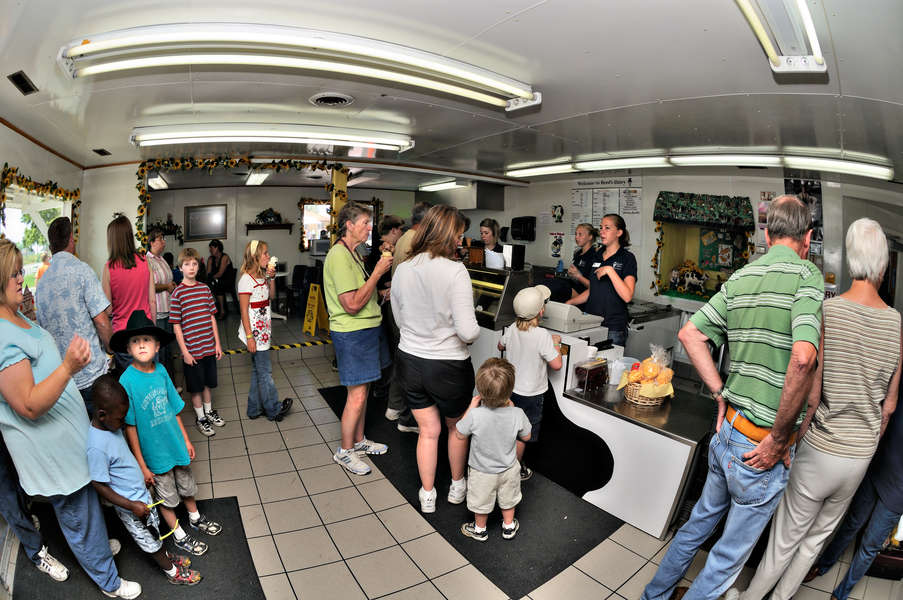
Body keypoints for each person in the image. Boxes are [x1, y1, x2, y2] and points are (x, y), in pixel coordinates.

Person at [641, 195, 823, 600]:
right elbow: (804, 358)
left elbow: (691, 335)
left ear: (767, 232)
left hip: (726, 434)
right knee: (725, 559)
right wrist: (778, 437)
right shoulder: (806, 276)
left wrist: (720, 394)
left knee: (696, 527)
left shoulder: (741, 277)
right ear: (807, 237)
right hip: (760, 446)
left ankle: (652, 597)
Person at [732, 218, 901, 600]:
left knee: (785, 537)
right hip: (859, 455)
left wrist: (791, 441)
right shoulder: (896, 322)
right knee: (815, 541)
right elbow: (888, 406)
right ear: (884, 264)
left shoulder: (830, 311)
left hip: (821, 449)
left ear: (852, 259)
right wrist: (865, 444)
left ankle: (751, 598)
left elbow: (812, 395)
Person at [0, 239, 141, 599]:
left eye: (20, 271)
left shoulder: (14, 317)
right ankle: (109, 582)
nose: (21, 279)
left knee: (86, 500)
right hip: (48, 450)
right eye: (13, 273)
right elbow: (28, 404)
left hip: (66, 441)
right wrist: (68, 367)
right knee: (77, 512)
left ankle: (95, 549)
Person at [392, 205, 480, 513]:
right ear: (446, 234)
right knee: (455, 428)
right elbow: (468, 332)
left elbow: (400, 319)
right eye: (458, 234)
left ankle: (427, 494)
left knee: (428, 431)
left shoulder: (403, 268)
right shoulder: (456, 271)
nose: (460, 240)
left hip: (409, 361)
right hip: (447, 365)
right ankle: (457, 486)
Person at [113, 310, 222, 558]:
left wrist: (185, 439)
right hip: (154, 453)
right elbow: (130, 427)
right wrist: (141, 464)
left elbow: (174, 409)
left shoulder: (162, 371)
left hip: (175, 444)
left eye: (147, 340)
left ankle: (194, 517)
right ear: (128, 349)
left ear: (157, 345)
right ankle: (179, 534)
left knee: (186, 484)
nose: (141, 344)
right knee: (166, 497)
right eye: (135, 341)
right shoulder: (126, 380)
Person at [86, 375, 202, 586]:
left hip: (141, 499)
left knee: (155, 533)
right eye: (121, 419)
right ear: (102, 414)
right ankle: (172, 572)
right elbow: (98, 484)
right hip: (132, 507)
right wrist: (131, 505)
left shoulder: (111, 426)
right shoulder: (96, 446)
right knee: (150, 542)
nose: (123, 423)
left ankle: (166, 556)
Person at [802, 398, 903, 600]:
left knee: (870, 545)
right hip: (878, 467)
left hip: (898, 491)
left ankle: (841, 593)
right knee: (851, 524)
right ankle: (823, 565)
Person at [324, 202, 392, 476]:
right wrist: (377, 272)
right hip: (352, 334)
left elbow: (363, 293)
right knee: (357, 394)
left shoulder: (355, 253)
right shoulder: (338, 256)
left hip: (367, 329)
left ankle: (359, 440)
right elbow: (351, 304)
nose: (369, 228)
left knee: (363, 391)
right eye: (364, 222)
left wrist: (380, 290)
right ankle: (344, 450)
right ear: (349, 225)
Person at [35, 216, 113, 416]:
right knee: (102, 434)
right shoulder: (82, 271)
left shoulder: (42, 284)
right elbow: (102, 321)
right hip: (90, 373)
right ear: (71, 239)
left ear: (51, 245)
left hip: (61, 378)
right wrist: (112, 349)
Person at [456, 358, 531, 541]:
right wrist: (513, 409)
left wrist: (470, 407)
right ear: (510, 390)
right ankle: (508, 526)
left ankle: (480, 530)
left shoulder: (475, 415)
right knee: (508, 499)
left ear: (480, 390)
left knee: (481, 502)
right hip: (509, 468)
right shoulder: (517, 413)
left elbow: (459, 433)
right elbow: (527, 436)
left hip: (482, 471)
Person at [497, 285, 562, 480]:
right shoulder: (542, 336)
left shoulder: (512, 328)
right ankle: (514, 471)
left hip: (510, 390)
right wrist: (556, 343)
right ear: (541, 311)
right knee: (522, 434)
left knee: (510, 428)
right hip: (532, 395)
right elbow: (557, 364)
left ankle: (504, 463)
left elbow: (500, 345)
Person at [387, 201, 432, 433]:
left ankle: (395, 407)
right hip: (408, 312)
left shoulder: (404, 237)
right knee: (409, 368)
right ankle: (406, 416)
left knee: (402, 362)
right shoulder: (416, 241)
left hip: (400, 308)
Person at [170, 248, 224, 437]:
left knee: (208, 384)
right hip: (192, 350)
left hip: (208, 347)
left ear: (198, 266)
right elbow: (176, 326)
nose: (191, 267)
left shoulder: (204, 289)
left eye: (194, 264)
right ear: (180, 268)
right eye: (187, 264)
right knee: (195, 387)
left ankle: (209, 412)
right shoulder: (177, 294)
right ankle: (200, 417)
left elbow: (212, 318)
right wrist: (184, 352)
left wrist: (217, 344)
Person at [237, 240, 293, 421]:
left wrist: (271, 278)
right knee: (265, 372)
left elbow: (272, 296)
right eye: (265, 253)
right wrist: (249, 337)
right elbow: (244, 311)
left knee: (257, 370)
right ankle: (273, 408)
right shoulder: (246, 280)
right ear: (254, 257)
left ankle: (253, 409)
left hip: (264, 330)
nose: (269, 256)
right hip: (254, 332)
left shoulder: (262, 276)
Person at [566, 214, 636, 346]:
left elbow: (627, 296)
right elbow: (593, 289)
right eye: (601, 227)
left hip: (613, 327)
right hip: (591, 323)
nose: (602, 231)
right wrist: (570, 302)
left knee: (608, 366)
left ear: (619, 233)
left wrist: (610, 271)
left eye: (607, 228)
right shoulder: (597, 256)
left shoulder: (627, 258)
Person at [102, 215, 155, 372]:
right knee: (150, 384)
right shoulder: (145, 261)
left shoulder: (109, 268)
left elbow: (108, 309)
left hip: (124, 337)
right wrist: (154, 329)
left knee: (130, 389)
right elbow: (152, 302)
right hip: (146, 331)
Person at [146, 227, 176, 378]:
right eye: (160, 239)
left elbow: (169, 280)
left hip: (168, 309)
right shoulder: (147, 261)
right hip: (158, 311)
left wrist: (172, 285)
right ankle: (163, 382)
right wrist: (167, 286)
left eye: (164, 239)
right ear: (152, 242)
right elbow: (149, 285)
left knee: (169, 349)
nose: (164, 242)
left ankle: (170, 381)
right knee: (161, 350)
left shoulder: (161, 259)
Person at [567, 223, 599, 298]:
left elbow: (595, 286)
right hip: (572, 289)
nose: (576, 237)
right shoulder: (577, 253)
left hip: (584, 296)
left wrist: (578, 276)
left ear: (590, 237)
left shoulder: (595, 255)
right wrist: (572, 275)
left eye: (580, 234)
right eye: (576, 234)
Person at [206, 239, 236, 319]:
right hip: (215, 280)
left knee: (218, 286)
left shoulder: (225, 257)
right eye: (210, 248)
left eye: (212, 248)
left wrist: (211, 278)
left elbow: (220, 273)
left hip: (226, 280)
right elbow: (208, 272)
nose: (210, 250)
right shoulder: (210, 259)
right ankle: (209, 311)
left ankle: (222, 311)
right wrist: (209, 279)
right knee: (207, 286)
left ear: (217, 248)